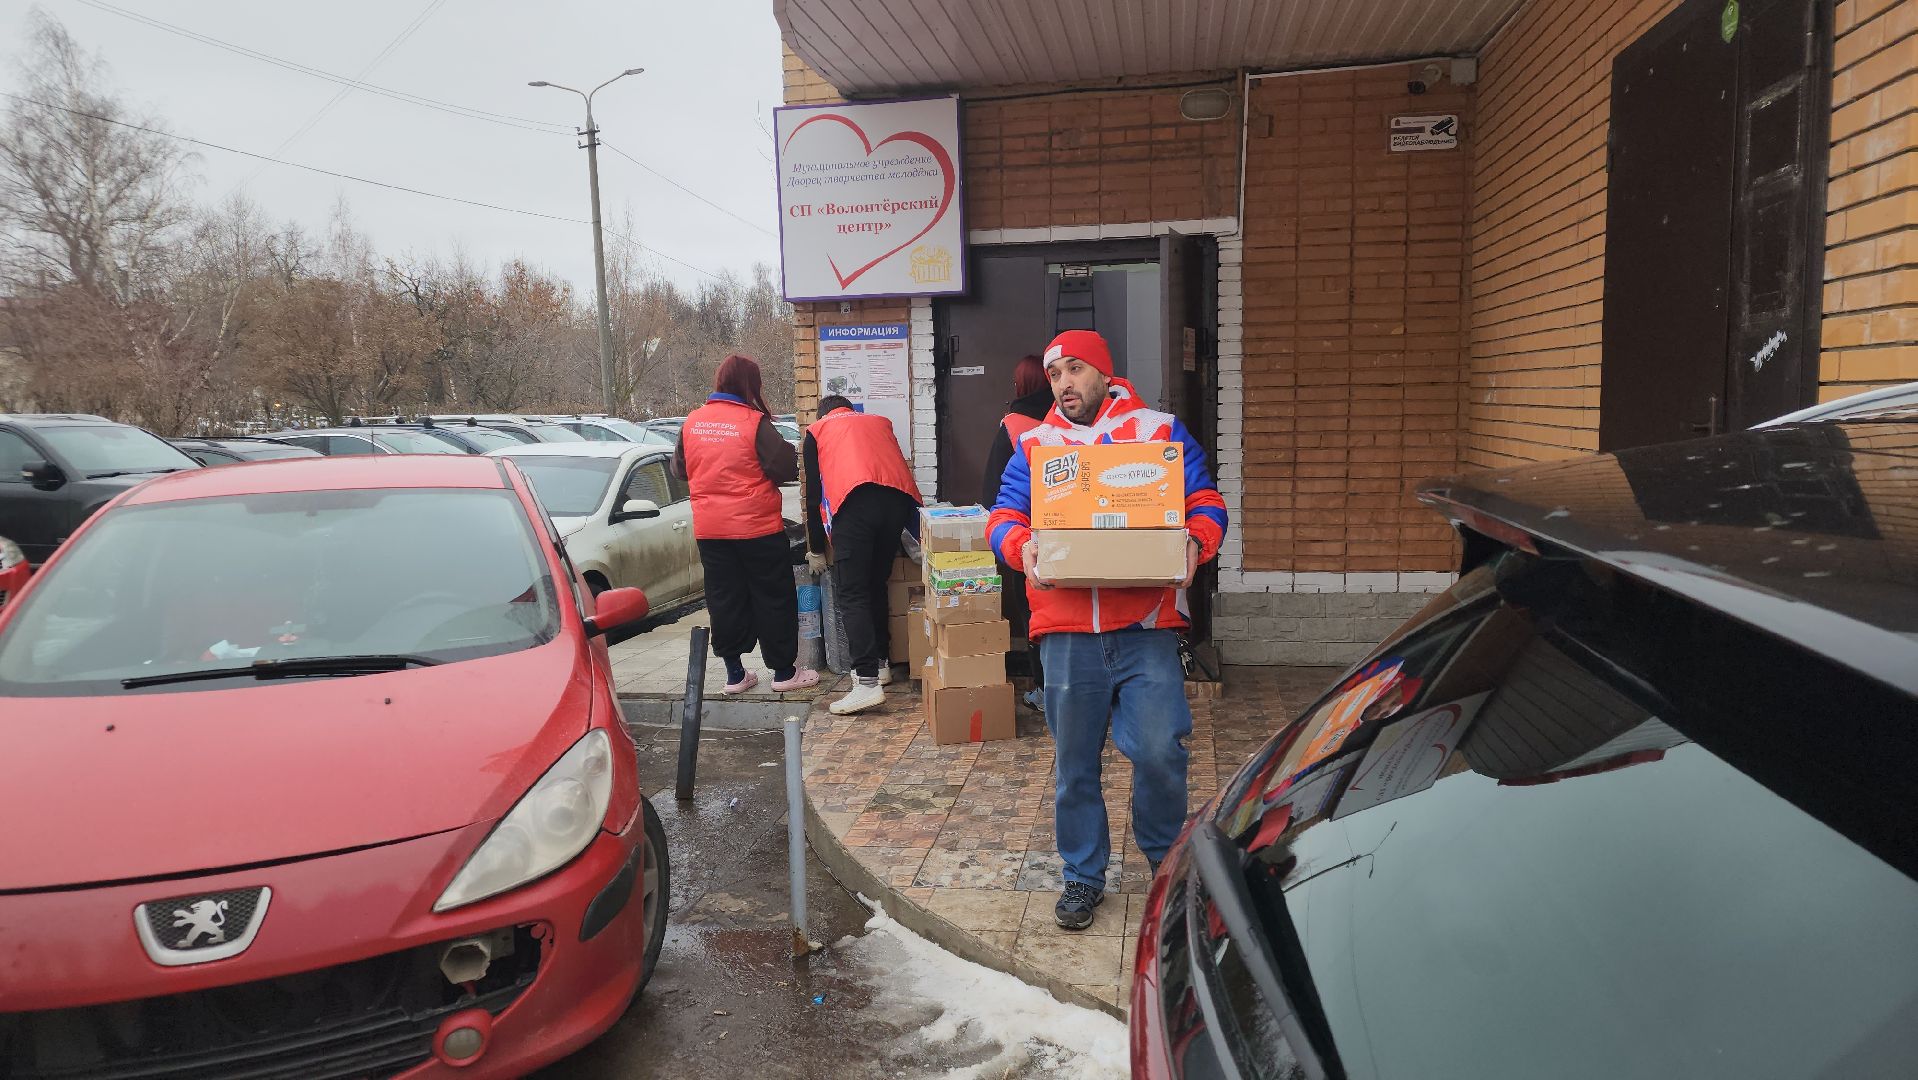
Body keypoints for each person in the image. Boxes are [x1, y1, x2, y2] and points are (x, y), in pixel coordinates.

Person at [987, 330, 1227, 930]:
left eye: (1074, 369)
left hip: (1145, 628)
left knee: (1159, 751)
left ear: (1101, 371)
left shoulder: (1158, 432)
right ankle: (1082, 877)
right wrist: (1020, 546)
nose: (1064, 383)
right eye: (1054, 375)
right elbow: (1003, 516)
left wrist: (1198, 541)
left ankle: (1167, 868)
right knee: (1074, 766)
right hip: (1065, 634)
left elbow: (1205, 501)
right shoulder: (1037, 445)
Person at [672, 355, 818, 695]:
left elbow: (680, 470)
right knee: (772, 596)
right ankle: (783, 673)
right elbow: (783, 468)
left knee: (724, 598)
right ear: (751, 385)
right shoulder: (753, 423)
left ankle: (735, 675)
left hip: (711, 531)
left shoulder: (692, 422)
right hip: (756, 529)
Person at [803, 395, 923, 715]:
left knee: (852, 592)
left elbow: (814, 495)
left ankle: (866, 683)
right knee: (874, 584)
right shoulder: (877, 422)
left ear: (823, 414)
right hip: (896, 506)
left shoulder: (817, 431)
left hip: (855, 508)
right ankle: (881, 664)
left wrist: (815, 547)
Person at [979, 355, 1054, 712]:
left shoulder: (1014, 424)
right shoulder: (1072, 420)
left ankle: (1044, 691)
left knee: (1035, 611)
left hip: (1026, 537)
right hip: (1074, 531)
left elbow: (993, 489)